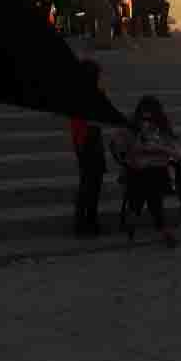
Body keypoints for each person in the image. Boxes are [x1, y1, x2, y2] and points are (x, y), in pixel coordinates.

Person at [111, 96, 181, 245]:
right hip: (136, 170)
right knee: (150, 188)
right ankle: (163, 228)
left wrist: (165, 149)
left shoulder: (162, 126)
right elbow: (120, 147)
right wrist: (140, 148)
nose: (147, 121)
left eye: (150, 116)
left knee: (150, 184)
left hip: (156, 172)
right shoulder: (130, 126)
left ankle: (134, 214)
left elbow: (176, 149)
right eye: (144, 116)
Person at [70, 59, 107, 235]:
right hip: (88, 142)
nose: (100, 78)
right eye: (98, 75)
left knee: (91, 184)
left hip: (87, 141)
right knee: (89, 185)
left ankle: (88, 222)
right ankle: (85, 223)